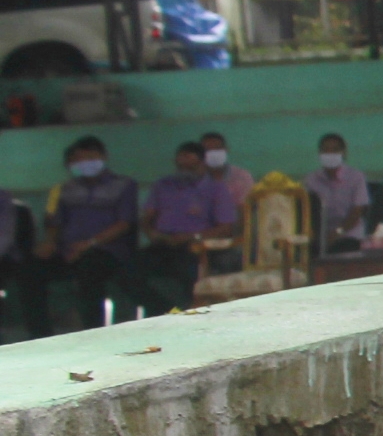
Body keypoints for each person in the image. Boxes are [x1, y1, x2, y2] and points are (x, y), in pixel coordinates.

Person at [36, 135, 143, 329]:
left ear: (103, 157)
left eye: (91, 157)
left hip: (105, 250)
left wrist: (88, 244)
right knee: (30, 268)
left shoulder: (123, 185)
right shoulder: (63, 189)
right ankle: (38, 333)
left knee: (88, 267)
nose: (85, 163)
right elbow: (54, 221)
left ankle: (92, 330)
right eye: (80, 159)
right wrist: (50, 241)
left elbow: (124, 223)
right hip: (67, 250)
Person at [140, 137, 244, 310]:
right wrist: (152, 234)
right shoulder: (163, 185)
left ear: (202, 164)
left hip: (196, 246)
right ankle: (165, 309)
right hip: (163, 243)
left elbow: (225, 228)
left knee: (187, 272)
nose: (184, 171)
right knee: (130, 271)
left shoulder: (216, 189)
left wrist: (191, 237)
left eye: (191, 166)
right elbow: (147, 218)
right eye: (181, 166)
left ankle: (185, 311)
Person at [310, 133, 371, 251]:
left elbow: (357, 211)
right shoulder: (311, 180)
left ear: (344, 153)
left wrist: (338, 233)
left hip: (349, 235)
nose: (330, 154)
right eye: (325, 150)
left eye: (334, 150)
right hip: (321, 236)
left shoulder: (356, 177)